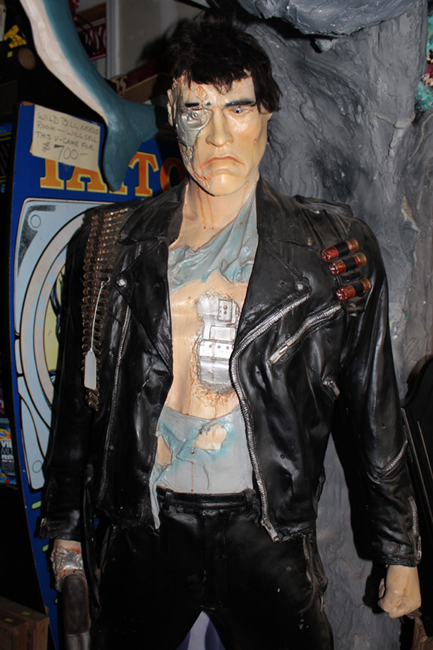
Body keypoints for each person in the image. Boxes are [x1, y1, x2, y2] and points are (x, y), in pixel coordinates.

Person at [40, 15, 421, 650]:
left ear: (268, 112)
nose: (218, 134)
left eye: (238, 107)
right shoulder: (110, 244)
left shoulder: (333, 252)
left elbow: (374, 406)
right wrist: (66, 532)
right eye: (197, 110)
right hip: (145, 527)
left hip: (267, 530)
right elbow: (75, 407)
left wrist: (399, 549)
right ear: (171, 114)